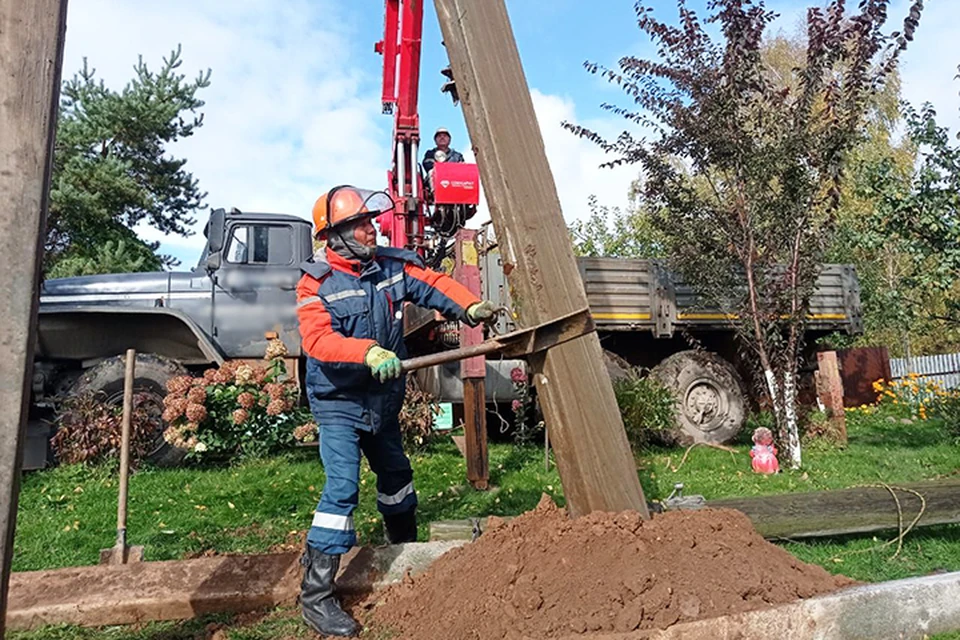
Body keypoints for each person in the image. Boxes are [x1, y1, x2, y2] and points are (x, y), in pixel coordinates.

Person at [295, 185, 497, 637]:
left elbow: (432, 284)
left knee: (397, 478)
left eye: (371, 222)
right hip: (339, 402)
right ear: (337, 236)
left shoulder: (390, 265)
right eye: (362, 225)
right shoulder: (316, 283)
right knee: (343, 489)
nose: (372, 229)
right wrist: (366, 351)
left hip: (382, 401)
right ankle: (316, 595)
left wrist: (469, 305)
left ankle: (400, 553)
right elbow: (317, 341)